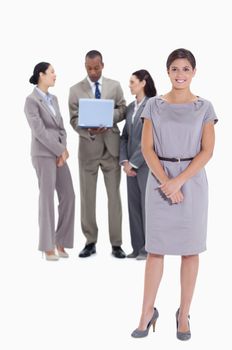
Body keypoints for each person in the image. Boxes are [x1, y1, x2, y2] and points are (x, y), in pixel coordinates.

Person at [131, 48, 218, 340]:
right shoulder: (153, 105)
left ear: (194, 72)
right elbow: (146, 148)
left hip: (191, 182)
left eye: (185, 69)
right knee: (156, 249)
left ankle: (183, 314)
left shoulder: (204, 107)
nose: (180, 74)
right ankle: (146, 312)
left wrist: (178, 181)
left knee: (190, 250)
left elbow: (207, 151)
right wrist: (166, 181)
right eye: (174, 69)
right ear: (167, 72)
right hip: (159, 181)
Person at [69, 50, 127, 258]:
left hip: (111, 149)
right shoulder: (75, 90)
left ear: (103, 65)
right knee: (87, 197)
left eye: (96, 67)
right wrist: (89, 130)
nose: (92, 72)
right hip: (88, 149)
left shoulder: (115, 86)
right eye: (88, 68)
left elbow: (123, 110)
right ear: (85, 66)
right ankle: (90, 241)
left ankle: (116, 244)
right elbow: (74, 120)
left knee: (114, 197)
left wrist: (109, 117)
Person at [24, 62, 75, 261]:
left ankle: (60, 240)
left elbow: (61, 127)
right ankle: (47, 247)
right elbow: (39, 132)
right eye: (52, 72)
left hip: (58, 154)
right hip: (43, 154)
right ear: (41, 75)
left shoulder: (53, 99)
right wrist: (59, 150)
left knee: (68, 195)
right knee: (46, 198)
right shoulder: (31, 100)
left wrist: (62, 150)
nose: (55, 75)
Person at [120, 70, 157, 260]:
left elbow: (149, 140)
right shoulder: (130, 108)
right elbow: (124, 136)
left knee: (146, 206)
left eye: (132, 81)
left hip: (146, 165)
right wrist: (125, 161)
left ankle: (148, 249)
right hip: (130, 166)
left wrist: (133, 163)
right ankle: (136, 248)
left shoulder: (154, 105)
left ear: (143, 83)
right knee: (133, 206)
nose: (129, 84)